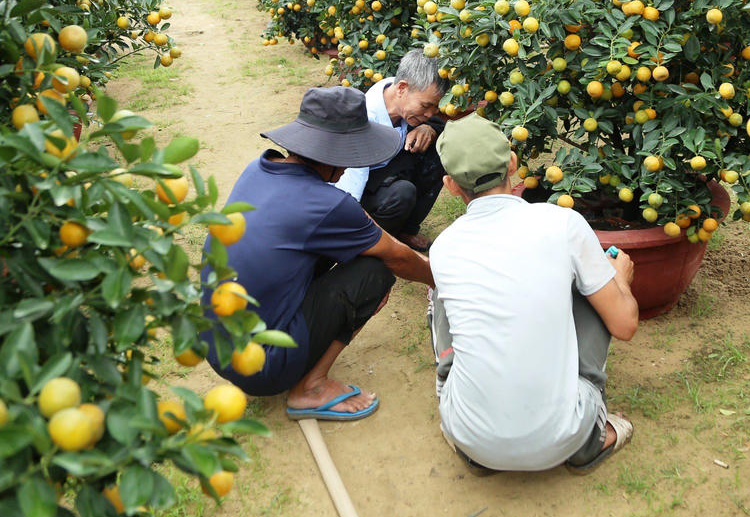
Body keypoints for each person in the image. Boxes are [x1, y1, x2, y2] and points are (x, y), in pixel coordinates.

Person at [201, 86, 434, 421]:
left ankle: (297, 358)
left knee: (343, 251)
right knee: (375, 272)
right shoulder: (327, 205)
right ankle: (310, 387)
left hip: (217, 345)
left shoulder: (258, 167)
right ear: (335, 153)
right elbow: (398, 256)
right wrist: (441, 279)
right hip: (260, 367)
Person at [427, 114, 639, 473]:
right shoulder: (562, 224)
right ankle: (589, 438)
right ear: (513, 163)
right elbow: (625, 325)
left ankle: (472, 436)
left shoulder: (444, 248)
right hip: (563, 435)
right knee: (590, 284)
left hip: (468, 433)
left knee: (441, 293)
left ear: (450, 185)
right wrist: (619, 279)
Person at [336, 50, 448, 251]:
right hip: (363, 185)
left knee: (441, 152)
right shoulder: (363, 120)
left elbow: (437, 122)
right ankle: (375, 243)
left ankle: (406, 229)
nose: (429, 113)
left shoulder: (397, 90)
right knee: (402, 193)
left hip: (394, 167)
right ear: (402, 88)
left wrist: (429, 127)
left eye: (435, 108)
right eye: (426, 106)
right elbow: (350, 190)